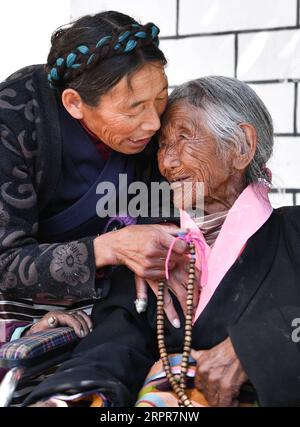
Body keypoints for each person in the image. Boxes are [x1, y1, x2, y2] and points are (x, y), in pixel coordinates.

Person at [25, 76, 300, 408]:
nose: (167, 163)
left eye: (184, 138)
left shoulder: (294, 232)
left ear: (241, 146)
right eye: (163, 145)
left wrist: (257, 346)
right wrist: (68, 397)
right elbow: (113, 347)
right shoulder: (155, 248)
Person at [0, 9, 191, 351]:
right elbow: (5, 263)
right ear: (74, 103)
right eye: (133, 109)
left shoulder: (151, 129)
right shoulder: (13, 118)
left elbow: (168, 209)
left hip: (110, 301)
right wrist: (110, 247)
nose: (152, 123)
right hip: (17, 305)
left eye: (160, 100)